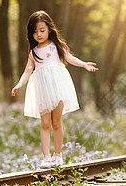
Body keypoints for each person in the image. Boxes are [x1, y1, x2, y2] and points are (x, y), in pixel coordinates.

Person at [11, 10, 98, 169]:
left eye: (42, 30)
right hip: (42, 90)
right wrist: (19, 84)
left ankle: (58, 156)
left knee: (56, 122)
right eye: (35, 31)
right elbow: (27, 71)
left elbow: (70, 58)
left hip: (57, 88)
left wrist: (84, 64)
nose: (38, 34)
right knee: (44, 123)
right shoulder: (33, 52)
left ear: (49, 29)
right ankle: (46, 157)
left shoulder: (57, 46)